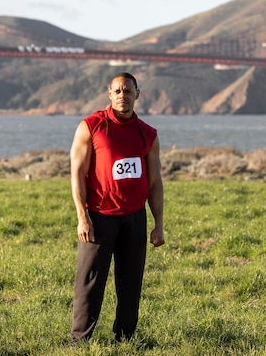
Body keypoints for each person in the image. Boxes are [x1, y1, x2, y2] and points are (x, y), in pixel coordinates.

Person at [69, 71, 165, 343]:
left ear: (138, 94)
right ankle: (79, 341)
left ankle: (125, 339)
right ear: (110, 95)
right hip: (99, 217)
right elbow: (76, 173)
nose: (123, 95)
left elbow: (155, 182)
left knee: (130, 282)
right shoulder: (91, 126)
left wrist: (158, 224)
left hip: (134, 217)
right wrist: (82, 216)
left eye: (128, 90)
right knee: (89, 283)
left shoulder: (148, 134)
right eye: (118, 91)